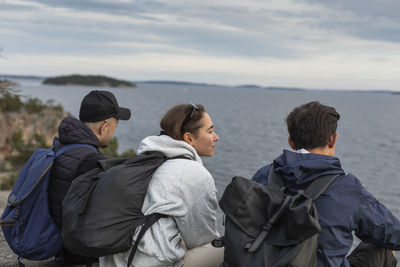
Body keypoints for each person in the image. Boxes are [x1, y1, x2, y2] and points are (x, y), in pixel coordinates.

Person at [252, 101, 399, 267]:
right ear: (332, 139)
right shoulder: (346, 187)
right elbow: (394, 235)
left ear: (291, 142)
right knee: (383, 246)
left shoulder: (264, 175)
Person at [100, 103, 223, 267]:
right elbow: (203, 239)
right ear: (189, 138)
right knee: (223, 248)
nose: (216, 137)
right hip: (146, 263)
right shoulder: (195, 174)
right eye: (210, 131)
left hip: (112, 261)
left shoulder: (143, 160)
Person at [48, 90, 131, 265]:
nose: (116, 129)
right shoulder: (94, 161)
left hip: (57, 243)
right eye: (117, 123)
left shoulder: (61, 147)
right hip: (78, 254)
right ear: (105, 126)